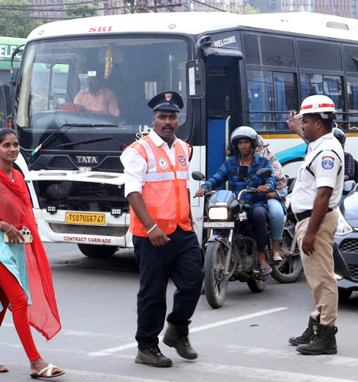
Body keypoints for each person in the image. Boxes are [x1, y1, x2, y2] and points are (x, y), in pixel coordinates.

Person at [0, 128, 64, 379]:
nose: (12, 149)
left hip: (14, 244)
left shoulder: (18, 177)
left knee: (1, 305)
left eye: (15, 145)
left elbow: (23, 211)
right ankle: (35, 361)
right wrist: (3, 225)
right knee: (20, 301)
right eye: (6, 145)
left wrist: (21, 228)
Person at [123, 91, 203, 367]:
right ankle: (146, 346)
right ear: (153, 120)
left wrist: (190, 222)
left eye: (173, 116)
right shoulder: (138, 151)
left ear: (179, 119)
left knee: (194, 281)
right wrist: (151, 227)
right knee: (153, 292)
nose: (168, 121)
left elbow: (181, 187)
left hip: (181, 229)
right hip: (152, 233)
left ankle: (178, 329)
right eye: (163, 116)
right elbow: (132, 193)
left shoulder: (184, 148)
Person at [286, 95, 345, 355]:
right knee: (316, 279)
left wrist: (311, 232)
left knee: (323, 280)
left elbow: (323, 194)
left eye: (306, 122)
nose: (303, 126)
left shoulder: (327, 152)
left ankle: (326, 336)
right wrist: (297, 129)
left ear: (318, 123)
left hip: (316, 222)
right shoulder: (319, 144)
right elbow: (309, 138)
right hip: (309, 220)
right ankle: (315, 327)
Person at [197, 127, 277, 273]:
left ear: (252, 144)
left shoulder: (263, 162)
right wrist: (205, 187)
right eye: (240, 143)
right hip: (237, 203)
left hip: (255, 203)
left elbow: (271, 178)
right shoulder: (230, 163)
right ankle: (210, 271)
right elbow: (217, 178)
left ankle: (261, 256)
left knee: (259, 214)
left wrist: (266, 186)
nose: (243, 146)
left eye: (246, 142)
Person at [253, 131, 288, 262]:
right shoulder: (237, 161)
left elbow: (282, 187)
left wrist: (269, 193)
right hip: (247, 198)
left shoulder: (269, 162)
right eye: (241, 143)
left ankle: (275, 250)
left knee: (276, 214)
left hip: (268, 198)